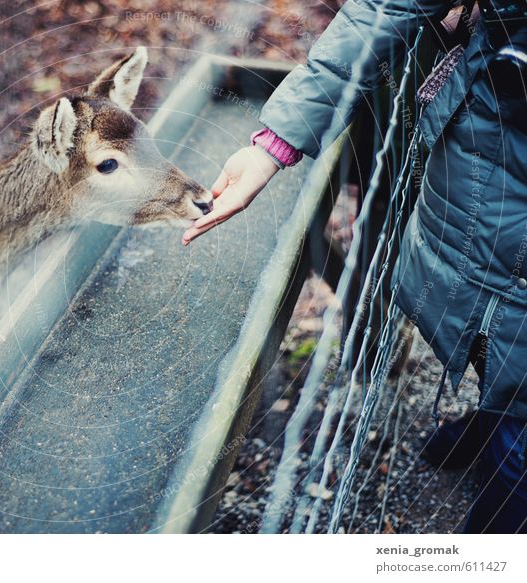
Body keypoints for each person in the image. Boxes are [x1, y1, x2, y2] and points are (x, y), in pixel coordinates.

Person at [183, 0, 527, 533]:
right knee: (502, 362)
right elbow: (388, 8)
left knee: (516, 456)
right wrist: (275, 143)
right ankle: (497, 417)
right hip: (479, 220)